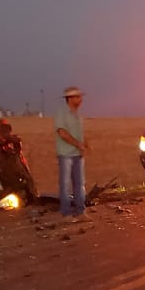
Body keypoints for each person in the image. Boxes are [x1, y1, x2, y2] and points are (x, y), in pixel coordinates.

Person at [55, 86, 89, 217]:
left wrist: (85, 143)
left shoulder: (77, 115)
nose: (81, 100)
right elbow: (62, 133)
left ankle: (80, 210)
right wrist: (78, 144)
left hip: (77, 154)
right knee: (65, 185)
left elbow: (78, 133)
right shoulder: (61, 113)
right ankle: (66, 212)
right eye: (78, 97)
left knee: (80, 184)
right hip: (66, 154)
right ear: (70, 99)